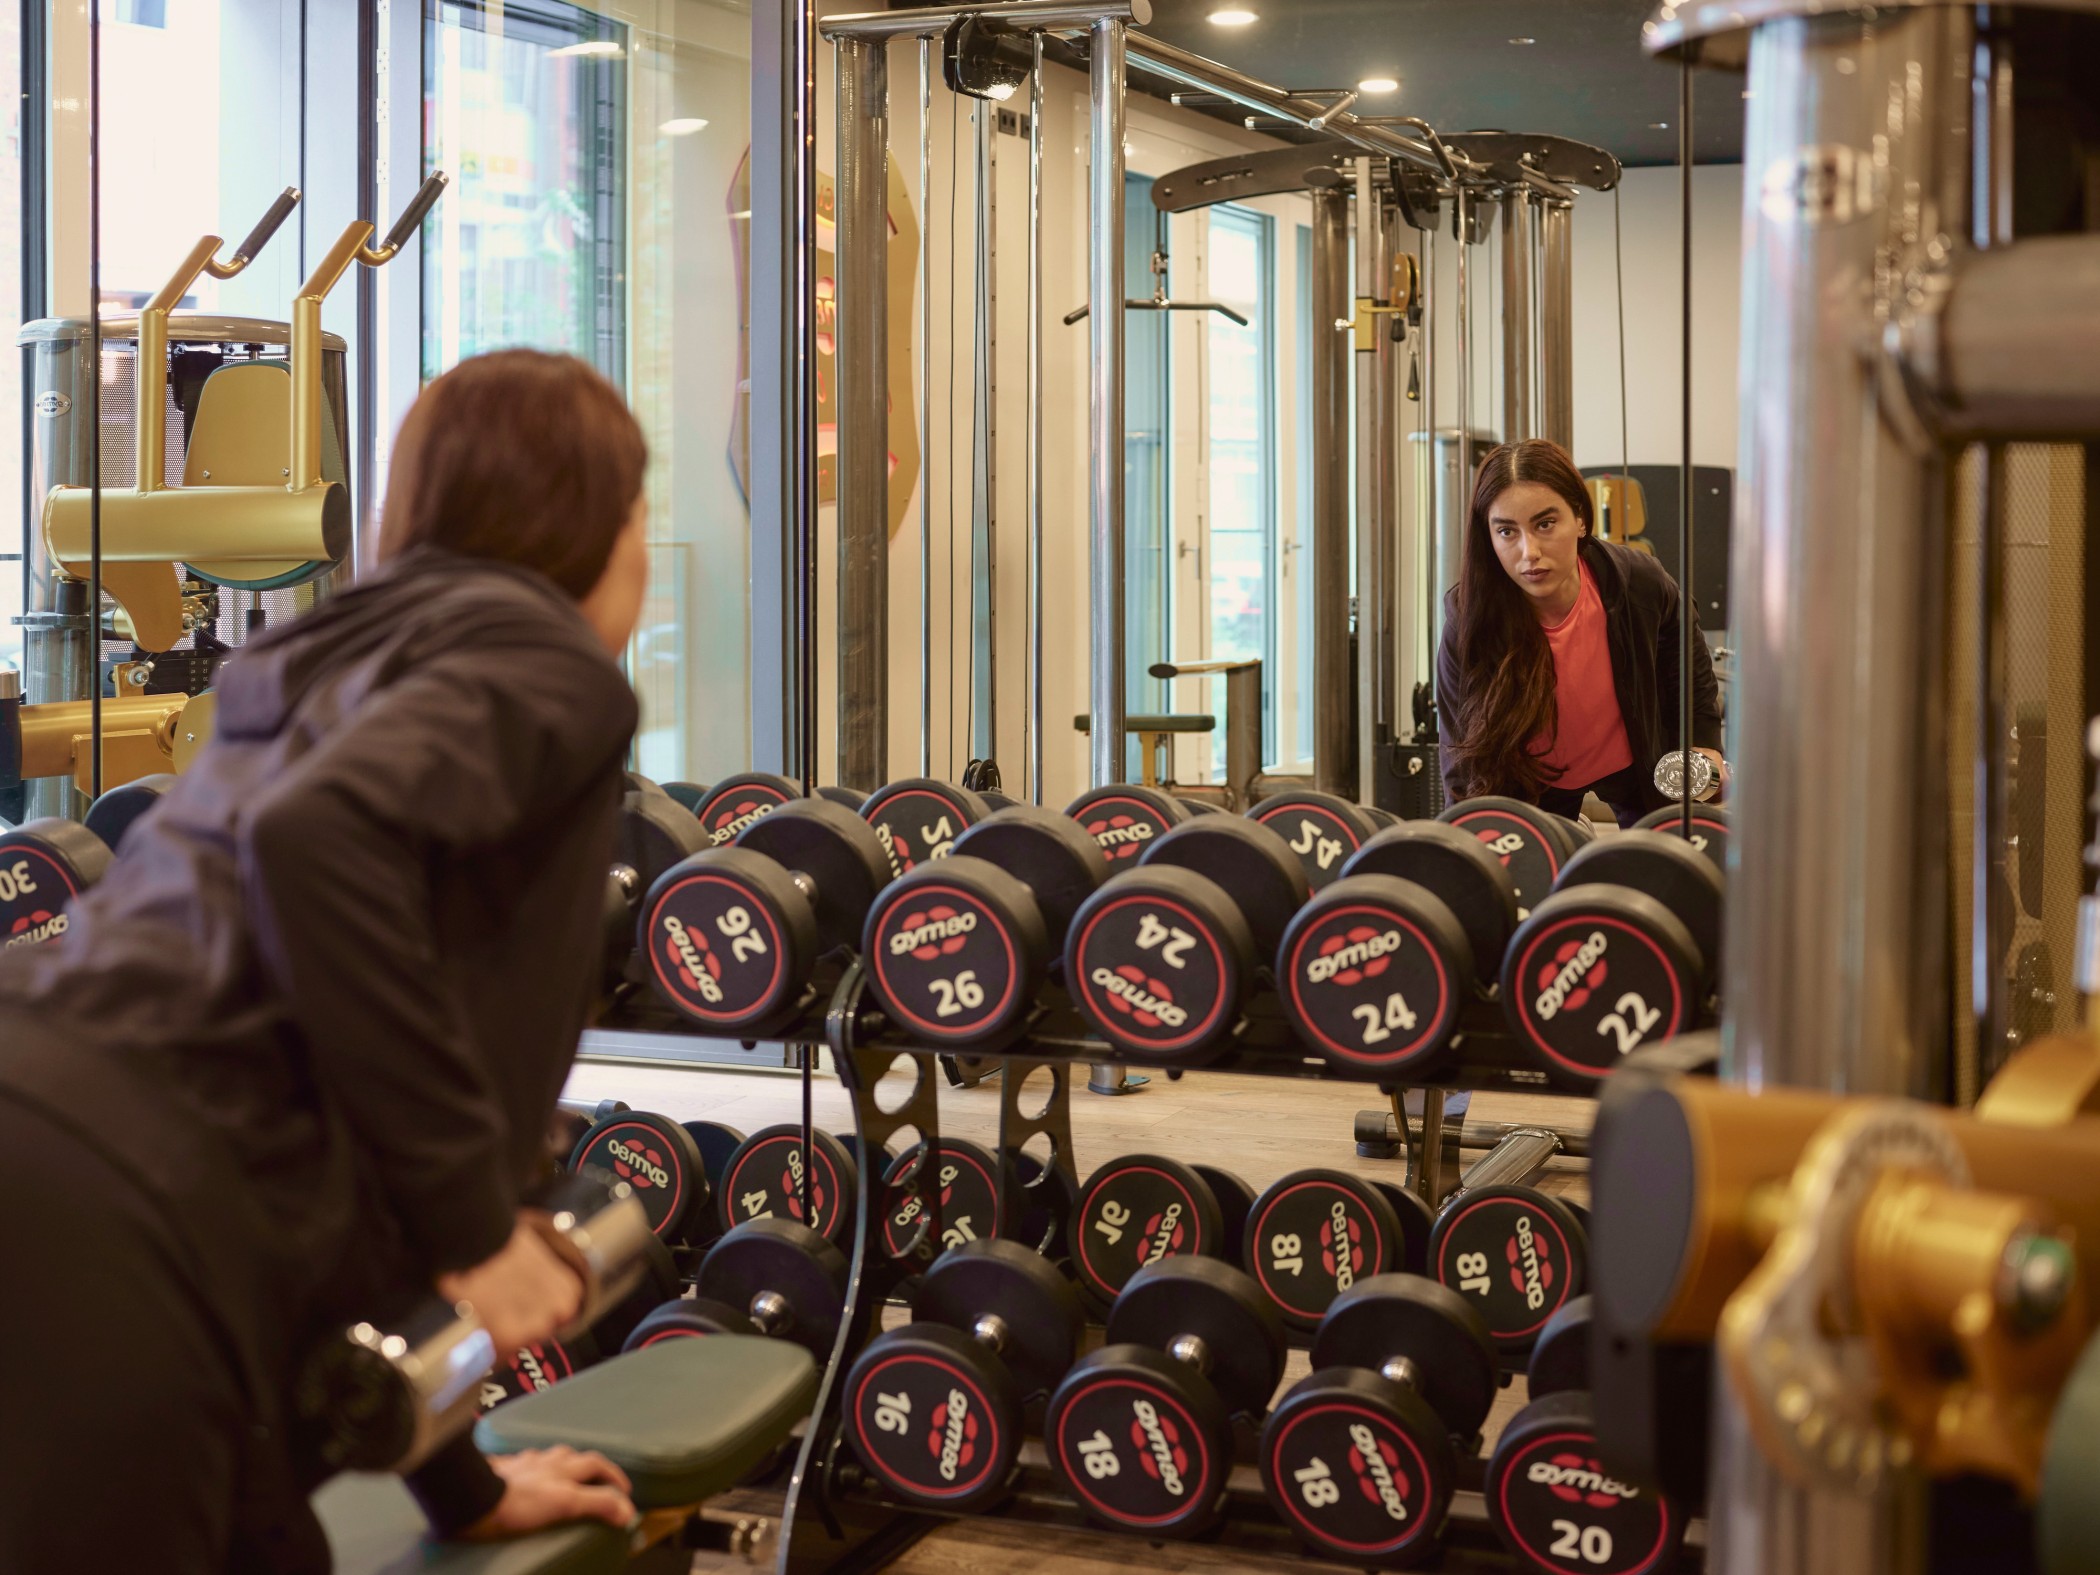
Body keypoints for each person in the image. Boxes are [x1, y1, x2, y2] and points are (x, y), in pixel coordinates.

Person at [0, 350, 655, 1572]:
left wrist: (461, 1489)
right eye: (642, 516)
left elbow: (351, 1083)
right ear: (602, 527)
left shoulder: (324, 652)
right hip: (127, 1206)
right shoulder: (551, 662)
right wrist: (478, 1228)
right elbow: (316, 840)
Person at [1435, 438, 1722, 827]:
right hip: (1532, 776)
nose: (1529, 552)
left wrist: (1703, 744)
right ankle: (1573, 830)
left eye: (1545, 524)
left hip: (1634, 760)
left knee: (1666, 871)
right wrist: (1471, 834)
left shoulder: (1639, 583)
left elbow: (1687, 662)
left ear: (1580, 519)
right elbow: (1459, 750)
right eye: (1507, 532)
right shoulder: (1469, 618)